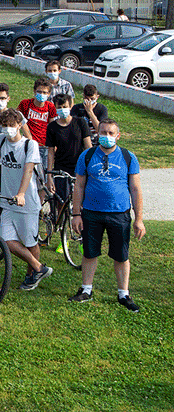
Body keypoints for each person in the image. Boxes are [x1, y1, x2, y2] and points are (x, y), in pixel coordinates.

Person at [70, 119, 145, 311]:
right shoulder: (87, 156)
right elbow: (78, 186)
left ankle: (123, 294)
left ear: (118, 136)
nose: (107, 137)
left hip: (119, 214)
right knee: (89, 252)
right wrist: (76, 214)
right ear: (97, 134)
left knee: (121, 255)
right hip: (91, 213)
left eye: (111, 133)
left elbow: (135, 189)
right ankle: (86, 290)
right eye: (103, 132)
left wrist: (139, 219)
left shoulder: (128, 157)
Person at [0, 109, 53, 291]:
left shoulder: (30, 145)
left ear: (20, 125)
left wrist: (21, 193)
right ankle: (39, 267)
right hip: (8, 201)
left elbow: (28, 171)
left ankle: (31, 275)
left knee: (30, 242)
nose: (7, 130)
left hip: (27, 202)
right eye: (4, 126)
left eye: (11, 126)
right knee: (6, 241)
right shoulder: (1, 140)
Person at [45, 94, 91, 206]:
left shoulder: (80, 122)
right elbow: (50, 152)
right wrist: (49, 175)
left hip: (79, 167)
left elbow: (88, 147)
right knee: (60, 202)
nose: (62, 110)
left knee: (81, 200)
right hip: (61, 168)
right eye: (59, 107)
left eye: (65, 106)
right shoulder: (52, 127)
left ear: (70, 106)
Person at [0, 83, 30, 166]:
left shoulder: (16, 115)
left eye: (3, 98)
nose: (0, 101)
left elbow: (27, 134)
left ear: (8, 99)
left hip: (13, 158)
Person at [18, 76, 58, 166]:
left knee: (42, 172)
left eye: (44, 92)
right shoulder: (25, 104)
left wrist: (54, 144)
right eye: (39, 92)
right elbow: (17, 120)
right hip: (28, 143)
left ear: (49, 94)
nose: (42, 94)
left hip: (44, 145)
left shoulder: (50, 106)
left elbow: (52, 127)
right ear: (34, 91)